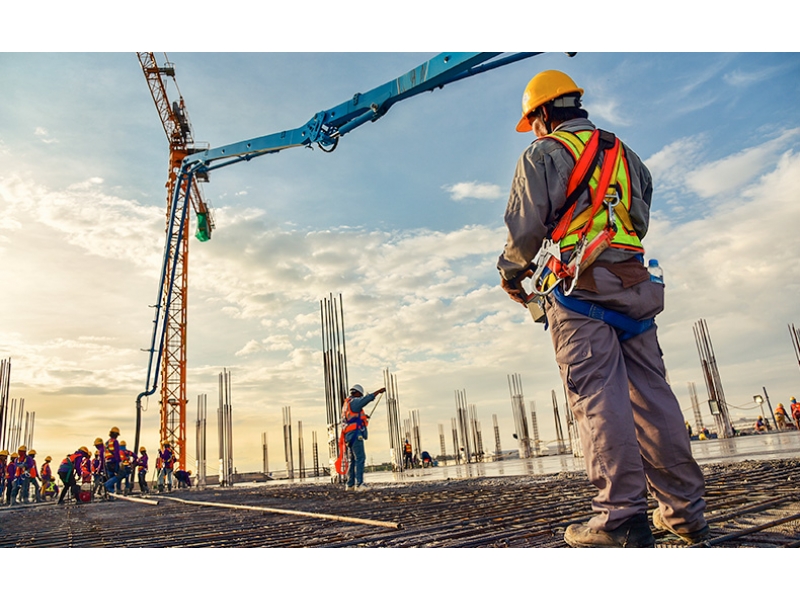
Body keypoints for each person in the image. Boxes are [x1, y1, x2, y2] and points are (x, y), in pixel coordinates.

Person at [497, 70, 708, 548]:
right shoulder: (626, 155)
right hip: (634, 286)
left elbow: (525, 229)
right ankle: (685, 514)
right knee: (653, 398)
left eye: (533, 121)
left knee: (598, 399)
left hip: (579, 290)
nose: (532, 130)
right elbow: (638, 220)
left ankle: (620, 519)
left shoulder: (543, 153)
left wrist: (510, 273)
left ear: (543, 112)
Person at [342, 384, 384, 491]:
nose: (360, 397)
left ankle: (350, 484)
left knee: (353, 460)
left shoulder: (347, 404)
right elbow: (366, 399)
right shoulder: (354, 402)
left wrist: (364, 417)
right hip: (355, 434)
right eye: (360, 395)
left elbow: (351, 418)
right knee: (360, 458)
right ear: (357, 393)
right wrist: (378, 391)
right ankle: (359, 484)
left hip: (348, 435)